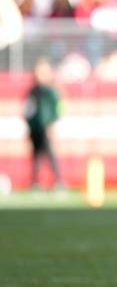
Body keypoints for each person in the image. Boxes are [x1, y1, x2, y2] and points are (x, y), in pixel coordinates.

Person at [24, 58, 63, 190]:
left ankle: (58, 181)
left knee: (50, 154)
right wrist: (29, 127)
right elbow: (28, 111)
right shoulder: (33, 92)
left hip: (47, 128)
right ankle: (35, 182)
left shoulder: (51, 92)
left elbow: (57, 110)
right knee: (36, 156)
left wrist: (52, 124)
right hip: (36, 129)